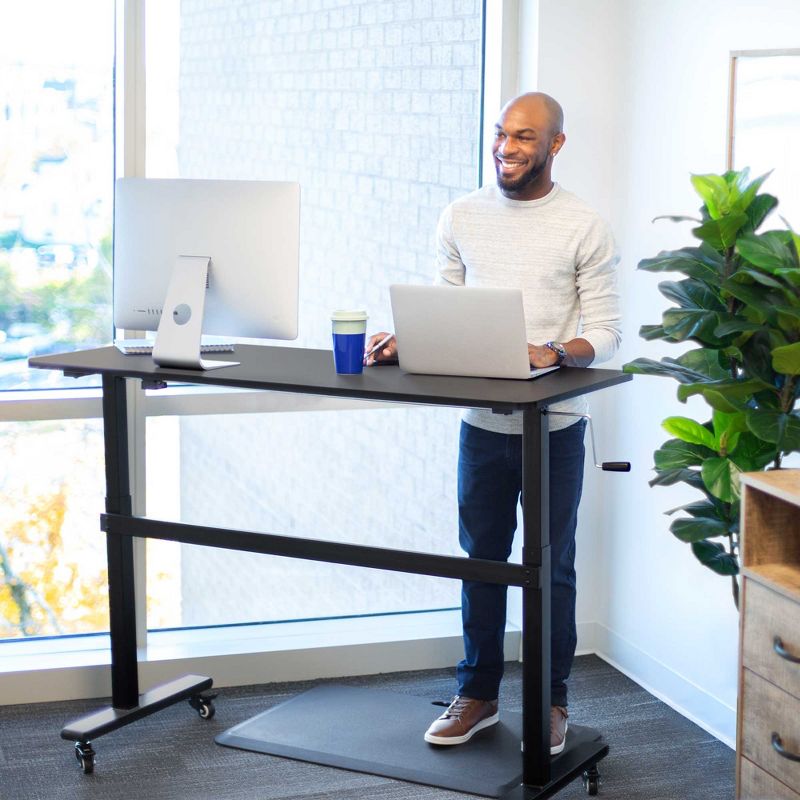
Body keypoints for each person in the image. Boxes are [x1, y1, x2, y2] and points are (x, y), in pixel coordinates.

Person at [365, 92, 621, 755]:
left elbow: (607, 332)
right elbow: (444, 311)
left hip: (555, 429)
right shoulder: (462, 216)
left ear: (556, 145)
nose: (507, 148)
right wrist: (406, 339)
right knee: (482, 563)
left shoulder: (583, 224)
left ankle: (551, 701)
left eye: (525, 137)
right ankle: (476, 695)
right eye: (501, 135)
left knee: (551, 570)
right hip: (483, 427)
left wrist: (558, 351)